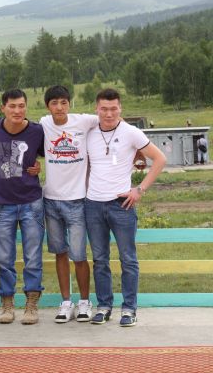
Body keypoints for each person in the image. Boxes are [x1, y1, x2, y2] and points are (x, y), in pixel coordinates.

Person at [86, 88, 166, 327]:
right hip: (93, 204)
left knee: (128, 259)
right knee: (100, 259)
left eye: (113, 109)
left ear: (120, 108)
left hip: (122, 204)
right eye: (104, 109)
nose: (109, 114)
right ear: (96, 109)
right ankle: (103, 306)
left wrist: (139, 190)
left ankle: (129, 309)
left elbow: (160, 159)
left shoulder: (131, 132)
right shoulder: (90, 132)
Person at [39, 85, 99, 323]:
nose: (59, 107)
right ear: (47, 106)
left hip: (77, 200)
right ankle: (66, 302)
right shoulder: (44, 123)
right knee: (60, 253)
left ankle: (84, 301)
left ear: (69, 103)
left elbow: (111, 118)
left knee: (79, 254)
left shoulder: (83, 121)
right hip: (51, 200)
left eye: (63, 102)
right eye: (54, 103)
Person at [0, 89, 45, 325]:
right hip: (2, 204)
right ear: (3, 108)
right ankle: (7, 304)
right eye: (12, 106)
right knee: (4, 258)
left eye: (21, 106)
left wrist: (39, 166)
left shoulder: (37, 131)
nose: (17, 110)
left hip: (31, 201)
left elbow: (49, 155)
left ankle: (31, 305)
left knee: (33, 257)